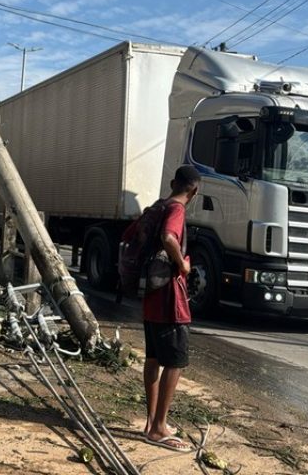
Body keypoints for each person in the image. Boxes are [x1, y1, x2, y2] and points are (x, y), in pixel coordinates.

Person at [142, 164, 200, 452]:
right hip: (169, 298)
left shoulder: (158, 206)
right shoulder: (177, 211)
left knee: (153, 358)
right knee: (175, 362)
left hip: (151, 297)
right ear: (194, 190)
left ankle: (151, 422)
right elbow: (168, 238)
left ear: (172, 183)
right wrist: (183, 264)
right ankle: (159, 428)